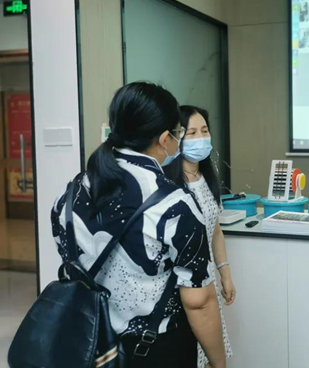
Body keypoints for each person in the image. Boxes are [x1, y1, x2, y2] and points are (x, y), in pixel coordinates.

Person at [50, 83, 226, 368]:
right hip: (155, 348)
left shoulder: (69, 194)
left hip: (87, 342)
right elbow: (199, 301)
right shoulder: (175, 203)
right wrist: (219, 363)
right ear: (165, 139)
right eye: (180, 133)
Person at [165, 106, 235, 368]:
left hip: (207, 282)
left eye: (204, 131)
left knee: (210, 355)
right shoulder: (168, 183)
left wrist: (225, 274)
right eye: (191, 133)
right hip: (181, 287)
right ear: (176, 138)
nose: (201, 138)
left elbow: (215, 230)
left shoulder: (207, 177)